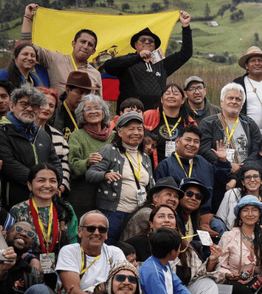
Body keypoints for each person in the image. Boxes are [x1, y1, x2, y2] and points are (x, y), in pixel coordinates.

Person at [54, 211, 127, 294]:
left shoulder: (115, 253)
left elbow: (125, 284)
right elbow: (74, 292)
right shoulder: (69, 251)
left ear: (106, 234)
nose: (97, 233)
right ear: (80, 231)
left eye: (102, 229)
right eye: (91, 228)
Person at [86, 111, 154, 244]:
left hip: (137, 214)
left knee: (132, 248)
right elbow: (90, 174)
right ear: (120, 131)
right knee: (109, 247)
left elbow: (151, 185)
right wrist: (105, 175)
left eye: (140, 129)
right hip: (113, 212)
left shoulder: (145, 157)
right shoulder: (110, 150)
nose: (136, 132)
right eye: (131, 129)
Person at [103, 11, 193, 110]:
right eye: (142, 39)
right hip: (131, 112)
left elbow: (186, 53)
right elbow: (108, 66)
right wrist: (138, 57)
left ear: (154, 46)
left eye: (151, 41)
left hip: (156, 113)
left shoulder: (162, 64)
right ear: (135, 44)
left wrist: (186, 26)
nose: (147, 42)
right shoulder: (127, 61)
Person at [10, 164, 78, 283]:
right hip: (26, 271)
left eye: (52, 181)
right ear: (30, 185)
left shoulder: (66, 209)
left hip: (61, 271)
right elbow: (10, 245)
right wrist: (29, 259)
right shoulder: (18, 210)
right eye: (41, 180)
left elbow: (73, 244)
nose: (47, 185)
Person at [0, 86, 62, 209]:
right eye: (24, 104)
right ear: (12, 106)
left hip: (44, 202)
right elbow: (9, 164)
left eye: (35, 106)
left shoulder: (42, 135)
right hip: (13, 204)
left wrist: (53, 182)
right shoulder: (2, 131)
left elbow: (55, 162)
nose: (29, 109)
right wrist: (41, 182)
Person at [19, 3, 102, 94]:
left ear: (93, 51)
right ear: (74, 43)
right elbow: (26, 47)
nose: (85, 46)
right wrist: (28, 17)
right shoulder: (56, 59)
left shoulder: (95, 74)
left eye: (90, 45)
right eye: (83, 42)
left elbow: (99, 101)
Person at [199, 83, 262, 197]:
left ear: (242, 104)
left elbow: (256, 150)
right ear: (221, 101)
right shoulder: (208, 123)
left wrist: (239, 171)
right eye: (230, 98)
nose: (234, 101)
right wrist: (227, 165)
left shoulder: (250, 124)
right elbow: (204, 150)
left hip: (244, 179)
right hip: (216, 178)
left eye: (238, 99)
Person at [154, 126, 230, 217]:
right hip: (176, 215)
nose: (192, 144)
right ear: (177, 141)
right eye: (188, 140)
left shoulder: (203, 163)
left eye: (196, 141)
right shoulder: (165, 165)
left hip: (203, 215)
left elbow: (219, 181)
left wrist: (222, 161)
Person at [67, 94, 113, 218]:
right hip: (84, 195)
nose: (93, 111)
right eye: (88, 109)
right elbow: (72, 165)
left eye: (97, 108)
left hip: (111, 195)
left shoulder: (114, 136)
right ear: (82, 114)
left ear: (104, 112)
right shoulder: (77, 136)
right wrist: (87, 162)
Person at [142, 83, 197, 166]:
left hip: (180, 168)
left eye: (175, 94)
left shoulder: (190, 122)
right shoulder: (148, 116)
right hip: (150, 166)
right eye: (167, 93)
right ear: (161, 99)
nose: (171, 96)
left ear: (183, 100)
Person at [119, 177, 183, 242]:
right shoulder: (147, 214)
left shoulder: (170, 216)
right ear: (155, 197)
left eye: (176, 196)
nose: (172, 199)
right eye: (168, 194)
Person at [233, 46, 262, 131]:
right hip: (247, 132)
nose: (257, 63)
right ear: (246, 66)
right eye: (253, 61)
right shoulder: (237, 84)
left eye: (260, 60)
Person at [217, 165, 262, 231]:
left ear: (261, 181)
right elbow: (220, 220)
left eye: (256, 176)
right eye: (248, 177)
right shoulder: (232, 194)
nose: (252, 180)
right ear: (243, 182)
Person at [36, 87, 71, 196]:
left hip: (53, 191)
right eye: (43, 103)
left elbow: (64, 165)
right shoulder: (21, 131)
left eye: (51, 106)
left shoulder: (58, 137)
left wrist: (61, 186)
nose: (47, 108)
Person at [52, 72, 101, 141]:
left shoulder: (89, 113)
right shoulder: (55, 110)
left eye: (87, 93)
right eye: (80, 92)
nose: (83, 97)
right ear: (68, 90)